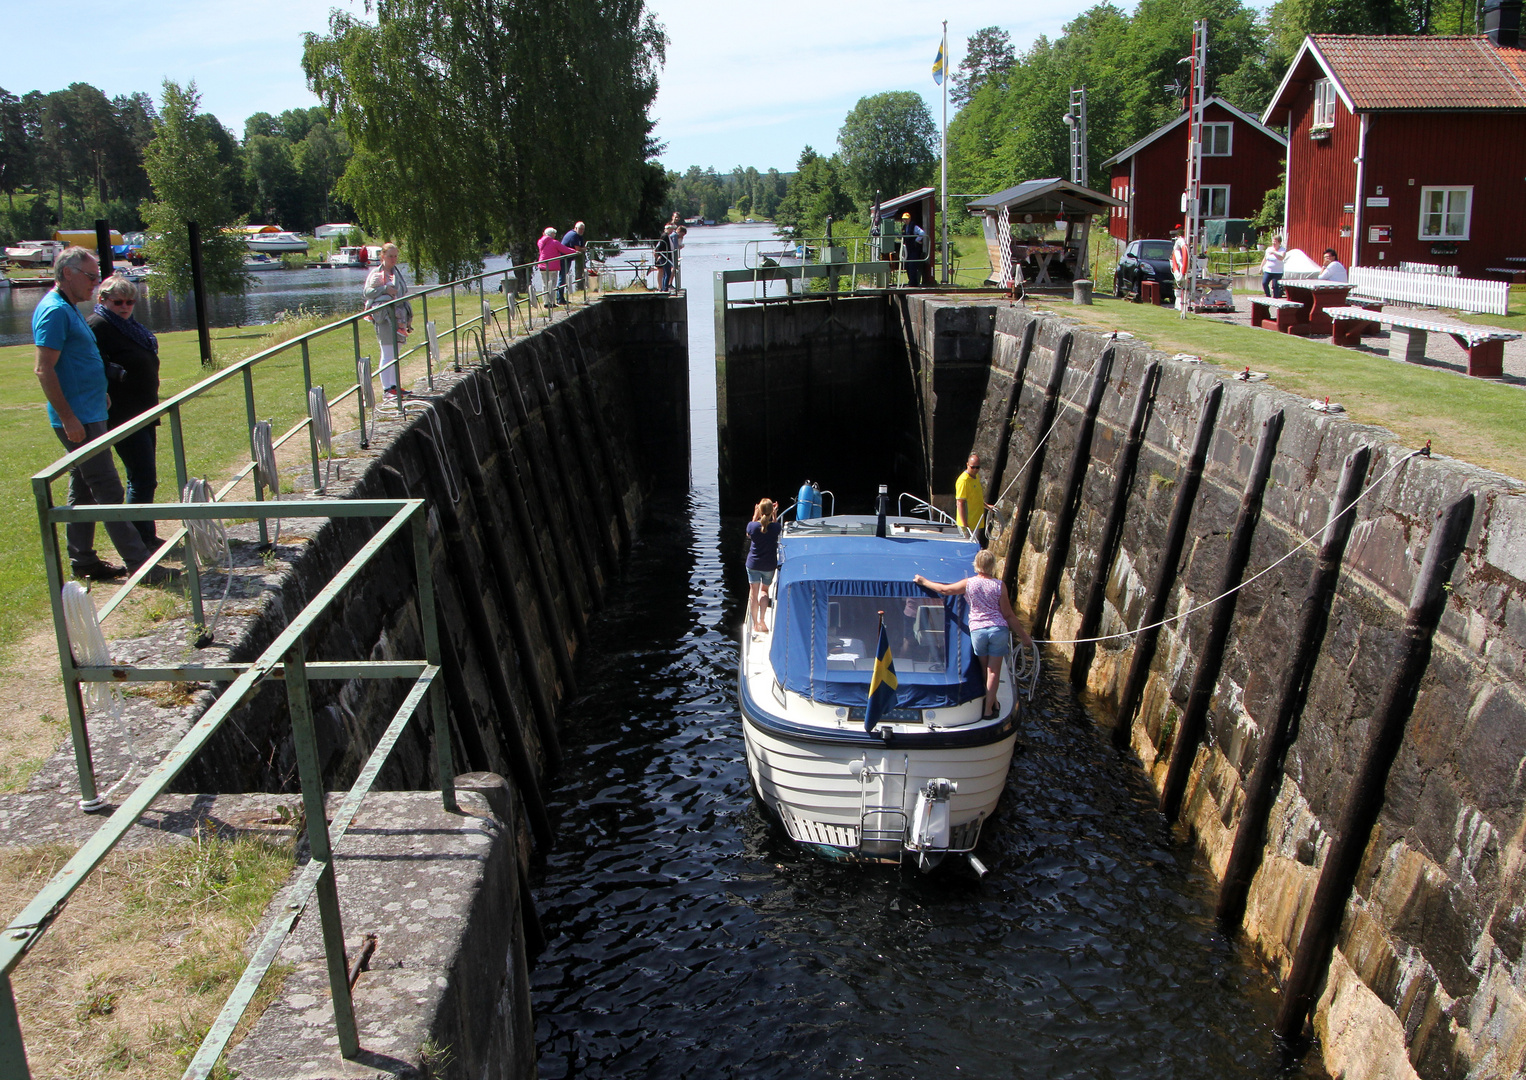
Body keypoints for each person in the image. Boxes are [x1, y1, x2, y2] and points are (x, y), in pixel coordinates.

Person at [33, 246, 166, 583]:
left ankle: (84, 560)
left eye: (96, 277)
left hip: (92, 411)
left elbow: (78, 359)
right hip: (78, 418)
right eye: (90, 276)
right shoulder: (54, 311)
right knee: (108, 489)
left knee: (85, 489)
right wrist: (68, 417)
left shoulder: (69, 308)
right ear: (67, 273)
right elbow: (43, 369)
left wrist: (100, 390)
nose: (94, 282)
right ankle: (140, 565)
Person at [913, 551, 1033, 720]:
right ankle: (989, 709)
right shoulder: (999, 586)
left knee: (984, 670)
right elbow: (1008, 615)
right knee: (994, 672)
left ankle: (992, 700)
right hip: (998, 630)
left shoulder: (969, 584)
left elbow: (944, 590)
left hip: (978, 631)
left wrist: (923, 581)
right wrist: (1025, 637)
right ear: (993, 566)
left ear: (976, 565)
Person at [88, 274, 161, 550]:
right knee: (141, 476)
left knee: (146, 477)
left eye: (130, 301)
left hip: (144, 409)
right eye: (117, 301)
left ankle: (146, 535)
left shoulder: (128, 326)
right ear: (102, 299)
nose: (125, 306)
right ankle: (141, 541)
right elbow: (93, 364)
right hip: (122, 413)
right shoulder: (97, 325)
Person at [362, 242, 413, 400]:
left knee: (396, 350)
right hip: (384, 317)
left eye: (396, 256)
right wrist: (384, 289)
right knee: (387, 351)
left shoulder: (396, 272)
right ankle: (387, 390)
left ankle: (394, 386)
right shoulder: (376, 273)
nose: (393, 259)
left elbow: (402, 291)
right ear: (382, 256)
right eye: (390, 256)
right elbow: (367, 292)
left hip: (399, 316)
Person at [745, 497, 782, 634]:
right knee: (764, 591)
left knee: (753, 594)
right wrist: (775, 515)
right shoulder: (776, 527)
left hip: (753, 564)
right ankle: (762, 620)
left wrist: (755, 515)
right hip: (768, 565)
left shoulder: (752, 526)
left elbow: (749, 533)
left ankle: (755, 624)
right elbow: (776, 528)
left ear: (760, 510)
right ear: (772, 511)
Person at [536, 226, 579, 307]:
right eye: (554, 233)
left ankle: (545, 302)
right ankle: (551, 302)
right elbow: (565, 249)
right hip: (552, 266)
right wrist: (575, 251)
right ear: (551, 234)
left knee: (545, 284)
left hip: (542, 266)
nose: (555, 235)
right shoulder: (554, 242)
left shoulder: (541, 242)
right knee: (552, 284)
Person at [954, 452, 989, 547]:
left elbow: (976, 497)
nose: (975, 470)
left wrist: (987, 506)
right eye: (973, 467)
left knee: (974, 546)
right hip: (967, 524)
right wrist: (965, 526)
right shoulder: (963, 481)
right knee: (966, 547)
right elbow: (960, 503)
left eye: (977, 467)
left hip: (976, 522)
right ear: (967, 465)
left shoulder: (976, 477)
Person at [557, 220, 586, 304]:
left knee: (563, 277)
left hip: (567, 259)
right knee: (562, 278)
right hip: (564, 259)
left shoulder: (578, 235)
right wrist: (583, 249)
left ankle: (561, 298)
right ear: (575, 228)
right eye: (580, 229)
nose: (581, 231)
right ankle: (560, 298)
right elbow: (578, 248)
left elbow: (581, 245)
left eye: (583, 229)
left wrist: (582, 248)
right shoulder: (573, 235)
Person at [901, 212, 927, 286]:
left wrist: (917, 240)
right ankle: (911, 282)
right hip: (907, 250)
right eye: (904, 219)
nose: (905, 220)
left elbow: (922, 233)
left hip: (914, 250)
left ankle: (913, 283)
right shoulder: (905, 227)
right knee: (908, 266)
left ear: (910, 219)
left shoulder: (914, 227)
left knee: (912, 266)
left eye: (906, 219)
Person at [654, 225, 677, 292]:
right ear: (667, 229)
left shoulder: (668, 236)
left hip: (667, 256)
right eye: (670, 229)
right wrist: (659, 255)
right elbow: (660, 246)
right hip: (665, 256)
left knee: (666, 273)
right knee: (668, 273)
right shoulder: (665, 236)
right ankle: (665, 288)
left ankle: (664, 287)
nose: (672, 230)